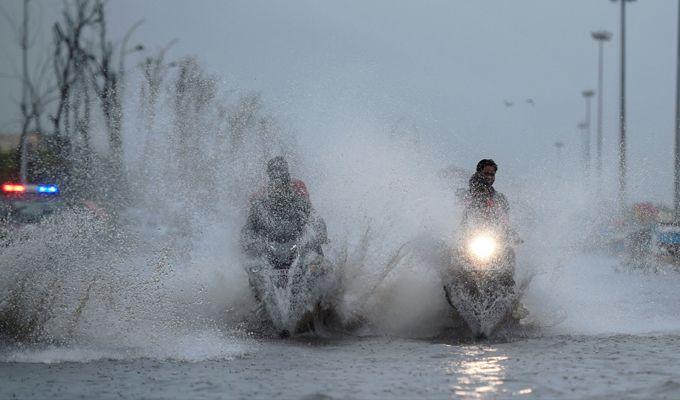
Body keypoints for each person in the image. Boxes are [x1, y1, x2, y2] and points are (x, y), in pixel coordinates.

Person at [241, 156, 327, 258]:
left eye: (280, 170)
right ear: (269, 174)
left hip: (297, 233)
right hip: (272, 238)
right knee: (253, 255)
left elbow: (311, 213)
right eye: (274, 171)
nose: (278, 173)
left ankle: (321, 266)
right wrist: (248, 241)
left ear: (286, 171)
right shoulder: (262, 192)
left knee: (314, 253)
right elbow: (253, 215)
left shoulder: (298, 186)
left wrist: (320, 232)